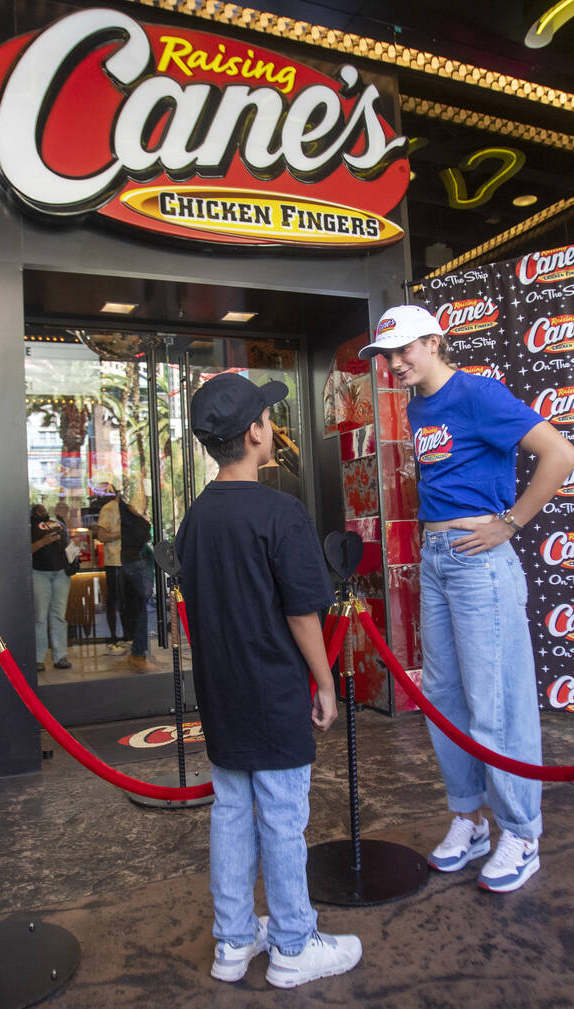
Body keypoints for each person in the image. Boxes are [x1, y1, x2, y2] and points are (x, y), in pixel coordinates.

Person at [359, 304, 574, 893]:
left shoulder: (478, 394)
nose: (395, 362)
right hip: (438, 560)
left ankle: (520, 832)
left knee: (495, 702)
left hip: (479, 561)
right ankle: (470, 819)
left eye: (405, 349)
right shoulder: (417, 405)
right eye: (386, 354)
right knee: (445, 695)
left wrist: (511, 522)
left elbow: (561, 455)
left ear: (435, 342)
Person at [176, 372, 362, 989]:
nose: (272, 428)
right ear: (255, 434)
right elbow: (302, 613)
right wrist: (326, 683)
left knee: (231, 810)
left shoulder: (195, 519)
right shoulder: (281, 511)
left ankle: (233, 941)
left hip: (221, 690)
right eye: (267, 419)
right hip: (274, 688)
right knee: (283, 817)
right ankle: (291, 944)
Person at [117, 493, 158, 673]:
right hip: (133, 562)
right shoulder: (125, 513)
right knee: (143, 607)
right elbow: (141, 532)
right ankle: (138, 654)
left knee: (140, 607)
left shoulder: (128, 513)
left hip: (132, 561)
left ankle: (139, 653)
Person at [30, 502, 72, 671]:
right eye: (38, 509)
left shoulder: (58, 524)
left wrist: (74, 550)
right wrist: (43, 541)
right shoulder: (29, 526)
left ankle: (60, 656)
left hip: (61, 572)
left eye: (43, 508)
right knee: (40, 617)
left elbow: (67, 545)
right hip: (40, 573)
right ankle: (38, 658)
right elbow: (24, 550)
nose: (42, 510)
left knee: (59, 616)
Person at [94, 487, 126, 654]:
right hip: (114, 560)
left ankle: (128, 637)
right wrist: (123, 532)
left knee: (129, 601)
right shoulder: (108, 509)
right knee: (115, 600)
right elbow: (102, 535)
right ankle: (113, 637)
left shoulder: (131, 508)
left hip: (131, 560)